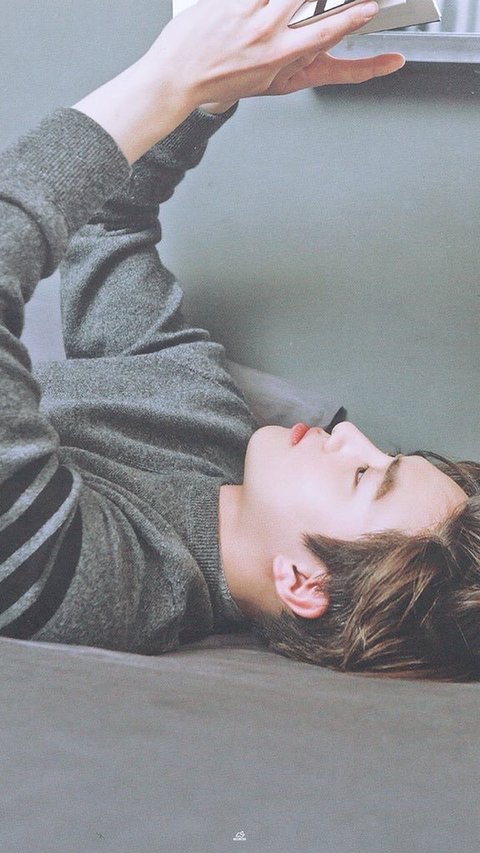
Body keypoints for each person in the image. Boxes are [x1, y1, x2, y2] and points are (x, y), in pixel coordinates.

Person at [0, 0, 478, 679]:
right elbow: (108, 227)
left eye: (366, 476)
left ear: (302, 581)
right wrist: (210, 98)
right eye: (386, 451)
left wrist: (170, 76)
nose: (348, 434)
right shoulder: (207, 416)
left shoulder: (106, 583)